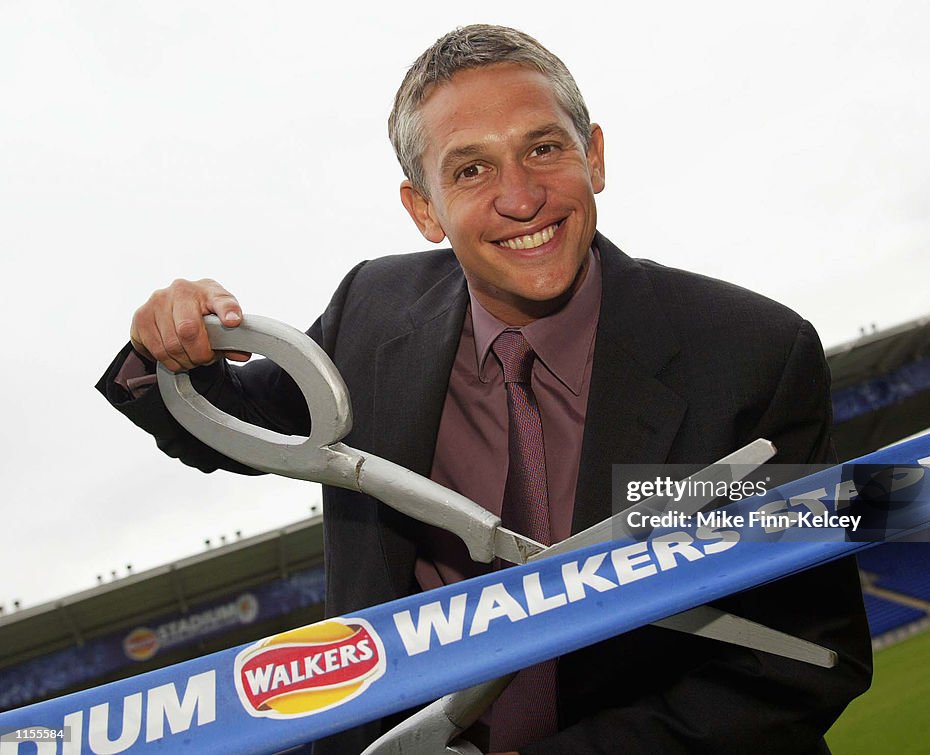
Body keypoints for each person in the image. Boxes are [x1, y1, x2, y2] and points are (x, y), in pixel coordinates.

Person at [98, 24, 871, 755]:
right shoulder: (373, 312)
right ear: (424, 208)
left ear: (594, 156)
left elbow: (802, 655)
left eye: (543, 148)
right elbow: (231, 422)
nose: (521, 196)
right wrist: (173, 346)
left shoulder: (748, 356)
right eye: (471, 169)